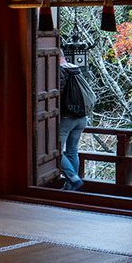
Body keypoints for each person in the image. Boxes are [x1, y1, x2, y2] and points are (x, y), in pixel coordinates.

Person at [58, 59, 87, 191]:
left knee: (55, 149)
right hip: (81, 116)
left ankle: (73, 179)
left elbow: (57, 93)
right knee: (72, 150)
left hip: (66, 117)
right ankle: (70, 187)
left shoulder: (59, 71)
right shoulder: (76, 69)